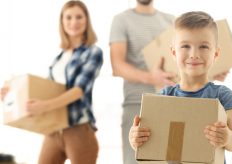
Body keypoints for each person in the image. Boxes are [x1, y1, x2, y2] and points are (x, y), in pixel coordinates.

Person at [129, 11, 232, 163]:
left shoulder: (222, 95)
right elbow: (149, 143)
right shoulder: (164, 97)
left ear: (216, 53)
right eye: (185, 46)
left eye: (203, 46)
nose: (194, 54)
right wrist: (134, 138)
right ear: (174, 52)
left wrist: (227, 137)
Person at [1, 1, 103, 164]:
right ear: (62, 21)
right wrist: (11, 95)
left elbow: (78, 91)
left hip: (78, 127)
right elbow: (45, 91)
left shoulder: (93, 52)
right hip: (53, 129)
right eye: (68, 17)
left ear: (86, 20)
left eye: (79, 17)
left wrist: (45, 106)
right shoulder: (59, 58)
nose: (73, 22)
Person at [109, 0, 177, 163]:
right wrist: (151, 78)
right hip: (137, 105)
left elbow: (182, 59)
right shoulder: (121, 20)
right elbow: (117, 65)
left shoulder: (171, 20)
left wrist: (211, 71)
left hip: (171, 104)